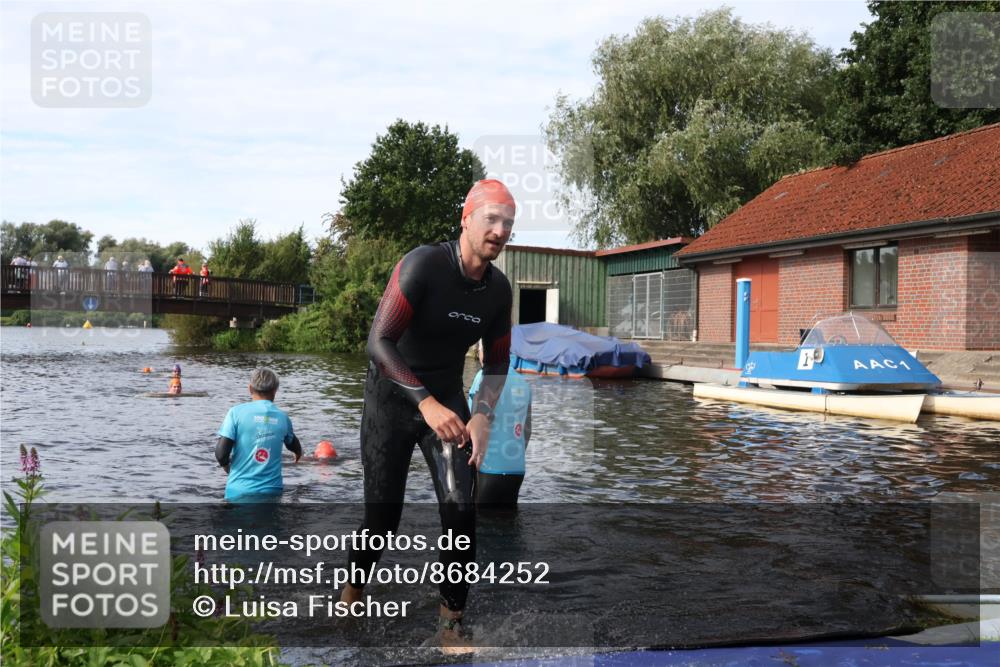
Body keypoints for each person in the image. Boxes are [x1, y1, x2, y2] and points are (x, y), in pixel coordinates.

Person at [341, 179, 515, 652]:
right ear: (466, 218)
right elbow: (378, 343)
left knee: (461, 513)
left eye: (507, 223)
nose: (499, 231)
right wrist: (425, 402)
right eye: (491, 219)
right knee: (382, 521)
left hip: (448, 400)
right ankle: (352, 597)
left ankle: (449, 628)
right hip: (392, 401)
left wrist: (481, 416)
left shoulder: (499, 291)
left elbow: (498, 361)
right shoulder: (423, 265)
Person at [215, 367, 302, 502]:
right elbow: (293, 444)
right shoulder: (283, 418)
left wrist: (227, 468)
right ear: (275, 390)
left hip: (238, 491)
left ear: (250, 388)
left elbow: (221, 454)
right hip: (272, 491)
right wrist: (298, 453)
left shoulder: (235, 413)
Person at [468, 341, 532, 508]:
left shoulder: (483, 378)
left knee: (480, 526)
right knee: (508, 524)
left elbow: (472, 420)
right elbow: (527, 431)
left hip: (488, 467)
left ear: (483, 353)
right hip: (516, 468)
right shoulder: (524, 383)